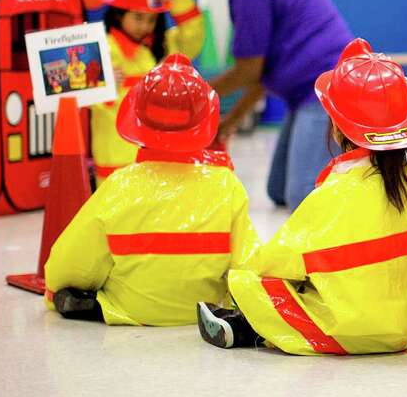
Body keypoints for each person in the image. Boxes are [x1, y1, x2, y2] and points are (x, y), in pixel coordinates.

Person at [197, 38, 407, 354]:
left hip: (351, 332)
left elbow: (280, 260)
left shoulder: (336, 192)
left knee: (252, 283)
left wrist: (243, 274)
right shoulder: (406, 184)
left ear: (338, 127)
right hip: (402, 327)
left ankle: (246, 326)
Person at [45, 55, 259, 326]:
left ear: (137, 117)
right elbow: (249, 266)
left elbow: (68, 266)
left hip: (129, 310)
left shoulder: (118, 185)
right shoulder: (226, 184)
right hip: (205, 313)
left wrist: (56, 290)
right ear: (205, 120)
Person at [186, 0, 354, 211]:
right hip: (304, 94)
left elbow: (248, 71)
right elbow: (260, 73)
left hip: (326, 92)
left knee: (301, 197)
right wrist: (231, 119)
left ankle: (367, 194)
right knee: (278, 190)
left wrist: (195, 96)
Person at [91, 0, 204, 179]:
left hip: (158, 150)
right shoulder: (102, 47)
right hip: (116, 153)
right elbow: (79, 94)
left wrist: (178, 2)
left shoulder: (164, 46)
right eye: (138, 17)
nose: (145, 26)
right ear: (118, 14)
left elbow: (193, 38)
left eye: (151, 19)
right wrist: (101, 86)